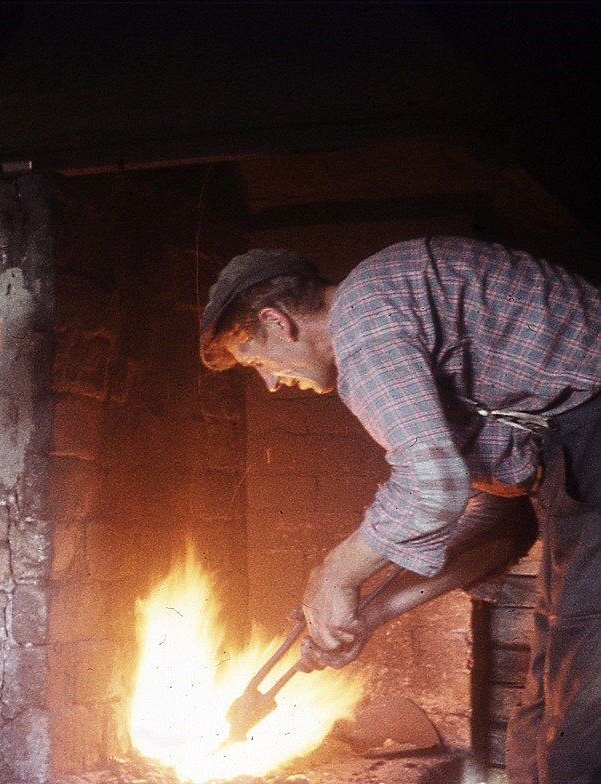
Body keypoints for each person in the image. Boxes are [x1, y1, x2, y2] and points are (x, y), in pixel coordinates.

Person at [198, 237, 600, 783]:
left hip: (592, 434)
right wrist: (368, 616)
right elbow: (498, 525)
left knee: (584, 703)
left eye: (258, 361)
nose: (270, 383)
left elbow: (432, 484)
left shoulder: (363, 317)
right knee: (552, 688)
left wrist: (334, 574)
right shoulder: (399, 322)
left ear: (278, 320)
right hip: (576, 454)